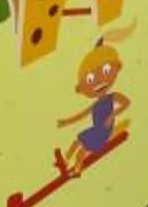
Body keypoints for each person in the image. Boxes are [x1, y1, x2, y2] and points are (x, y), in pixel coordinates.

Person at [55, 30, 131, 176]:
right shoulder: (96, 105)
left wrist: (113, 115)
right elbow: (81, 115)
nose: (98, 82)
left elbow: (127, 103)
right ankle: (64, 161)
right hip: (96, 131)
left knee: (82, 149)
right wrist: (65, 122)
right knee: (77, 140)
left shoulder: (112, 97)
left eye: (106, 70)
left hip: (102, 133)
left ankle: (77, 170)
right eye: (90, 80)